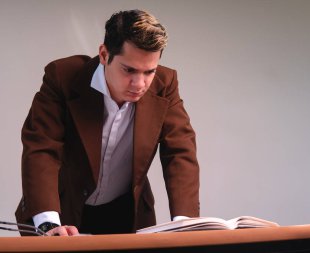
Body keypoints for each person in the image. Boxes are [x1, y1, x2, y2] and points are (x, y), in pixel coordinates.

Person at [15, 9, 200, 236]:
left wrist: (186, 224)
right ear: (104, 55)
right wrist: (47, 222)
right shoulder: (62, 77)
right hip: (63, 212)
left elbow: (180, 152)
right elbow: (42, 148)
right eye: (129, 70)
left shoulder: (165, 84)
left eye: (149, 71)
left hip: (127, 214)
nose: (139, 83)